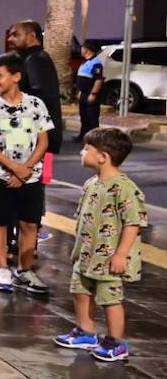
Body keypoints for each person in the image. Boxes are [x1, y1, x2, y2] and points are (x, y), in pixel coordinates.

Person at [54, 128, 146, 362]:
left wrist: (121, 255)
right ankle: (86, 332)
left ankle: (116, 342)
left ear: (103, 156)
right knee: (80, 291)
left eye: (86, 149)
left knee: (110, 298)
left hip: (108, 258)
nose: (81, 153)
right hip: (86, 255)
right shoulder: (90, 184)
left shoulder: (125, 188)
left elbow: (133, 222)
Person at [0, 53, 55, 296]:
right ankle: (2, 268)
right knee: (0, 221)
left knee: (30, 222)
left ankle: (25, 268)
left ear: (17, 76)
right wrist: (13, 168)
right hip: (0, 175)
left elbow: (43, 141)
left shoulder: (36, 105)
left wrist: (25, 169)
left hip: (30, 175)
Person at [9, 19, 65, 170]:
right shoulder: (30, 58)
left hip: (35, 135)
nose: (10, 39)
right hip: (31, 133)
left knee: (34, 181)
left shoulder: (36, 59)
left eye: (16, 35)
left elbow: (40, 97)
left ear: (31, 36)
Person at [75, 41, 105, 141]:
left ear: (87, 49)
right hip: (84, 93)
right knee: (83, 116)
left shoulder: (96, 63)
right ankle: (83, 136)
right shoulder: (86, 61)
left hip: (91, 94)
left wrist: (93, 94)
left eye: (82, 48)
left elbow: (98, 80)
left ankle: (95, 139)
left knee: (92, 117)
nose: (81, 50)